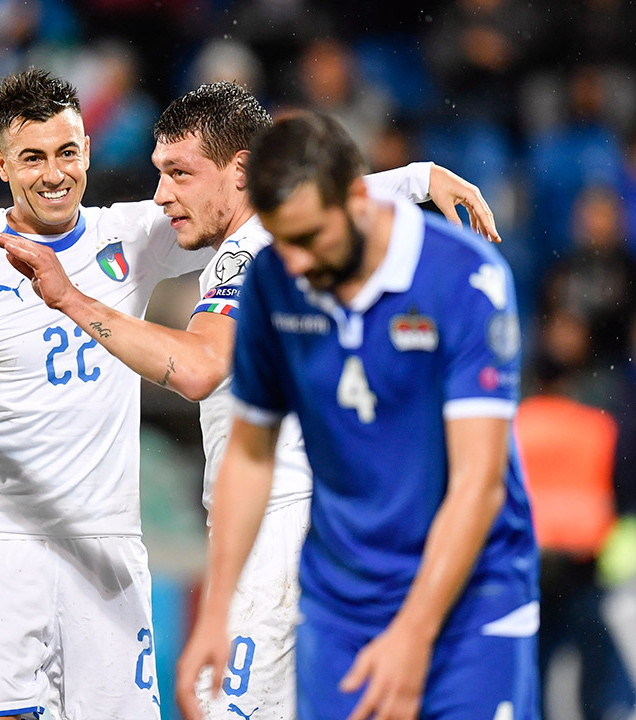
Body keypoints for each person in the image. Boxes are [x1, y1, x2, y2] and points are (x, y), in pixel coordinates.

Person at [0, 82, 499, 720]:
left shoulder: (245, 253)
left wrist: (70, 299)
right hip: (335, 518)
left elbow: (199, 367)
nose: (162, 194)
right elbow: (339, 193)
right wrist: (420, 178)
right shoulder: (304, 232)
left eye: (180, 173)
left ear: (242, 170)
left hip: (281, 525)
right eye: (159, 172)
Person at [0, 67, 219, 720]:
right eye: (32, 157)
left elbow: (249, 211)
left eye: (66, 153)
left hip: (106, 542)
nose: (54, 174)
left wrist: (406, 184)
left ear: (87, 150)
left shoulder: (131, 235)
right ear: (2, 164)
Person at [191, 111, 538, 719]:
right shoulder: (273, 278)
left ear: (358, 199)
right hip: (344, 600)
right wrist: (215, 611)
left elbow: (478, 482)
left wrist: (414, 632)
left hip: (472, 597)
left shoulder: (465, 278)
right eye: (281, 241)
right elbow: (249, 454)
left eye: (309, 237)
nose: (296, 264)